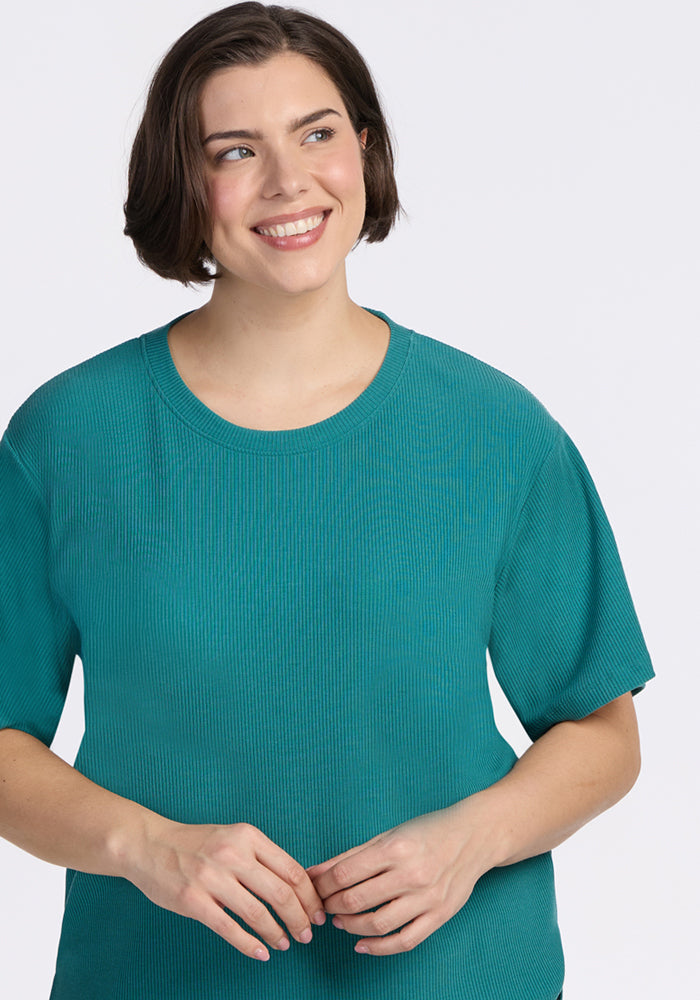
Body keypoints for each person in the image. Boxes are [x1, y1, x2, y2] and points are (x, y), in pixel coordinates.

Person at [0, 3, 654, 998]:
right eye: (234, 150)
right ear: (183, 181)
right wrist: (144, 845)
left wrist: (468, 840)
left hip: (455, 977)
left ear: (365, 150)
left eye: (317, 133)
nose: (287, 181)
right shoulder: (68, 438)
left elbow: (602, 732)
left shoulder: (495, 430)